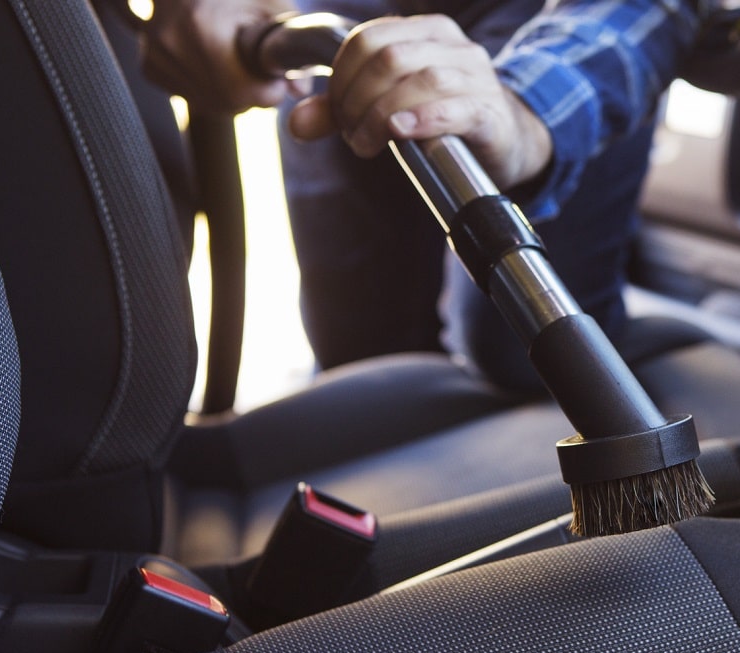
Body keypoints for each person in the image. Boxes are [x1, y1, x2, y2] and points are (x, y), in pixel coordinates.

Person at [141, 0, 708, 390]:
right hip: (340, 22)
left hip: (551, 22)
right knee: (360, 353)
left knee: (523, 356)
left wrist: (524, 114)